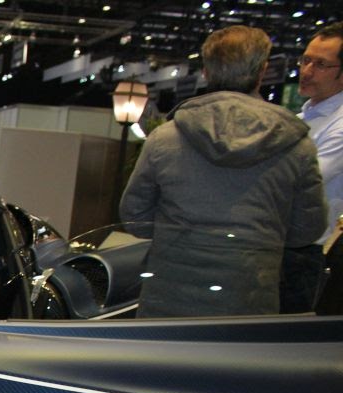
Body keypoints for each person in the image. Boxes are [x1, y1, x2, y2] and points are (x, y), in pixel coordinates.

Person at [120, 25, 328, 317]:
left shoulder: (166, 138)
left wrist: (180, 237)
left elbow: (135, 217)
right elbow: (308, 228)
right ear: (262, 71)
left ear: (206, 71)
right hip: (250, 299)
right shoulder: (296, 144)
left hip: (168, 299)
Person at [289, 22, 343, 312]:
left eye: (321, 64)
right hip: (285, 247)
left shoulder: (340, 125)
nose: (307, 71)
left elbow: (304, 183)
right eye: (306, 60)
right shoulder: (302, 117)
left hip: (309, 253)